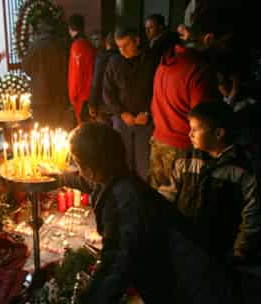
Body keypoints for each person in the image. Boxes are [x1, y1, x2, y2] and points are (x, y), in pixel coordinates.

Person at [48, 122, 235, 304]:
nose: (79, 170)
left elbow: (116, 263)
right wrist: (58, 177)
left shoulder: (125, 200)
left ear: (91, 168)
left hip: (188, 284)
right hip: (181, 274)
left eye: (79, 163)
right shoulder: (117, 177)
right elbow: (88, 183)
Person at [159, 101, 261, 263]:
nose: (189, 134)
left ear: (219, 133)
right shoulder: (185, 160)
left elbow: (252, 214)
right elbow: (165, 197)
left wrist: (240, 251)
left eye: (196, 129)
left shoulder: (243, 169)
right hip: (186, 246)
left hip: (221, 252)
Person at [149, 32, 214, 189]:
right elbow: (202, 115)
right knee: (181, 201)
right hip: (182, 147)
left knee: (156, 198)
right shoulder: (196, 70)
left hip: (158, 141)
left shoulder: (161, 68)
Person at [103, 28, 158, 180]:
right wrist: (121, 113)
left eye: (126, 45)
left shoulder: (151, 61)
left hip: (145, 121)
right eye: (119, 46)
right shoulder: (114, 62)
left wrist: (147, 113)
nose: (123, 50)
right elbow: (108, 93)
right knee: (122, 163)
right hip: (122, 121)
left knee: (143, 166)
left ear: (137, 41)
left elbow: (157, 91)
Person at [22, 21, 69, 128]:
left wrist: (36, 76)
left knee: (41, 129)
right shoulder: (60, 45)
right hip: (58, 94)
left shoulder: (35, 45)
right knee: (57, 128)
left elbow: (25, 66)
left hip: (39, 96)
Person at [67, 14, 96, 124]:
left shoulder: (77, 46)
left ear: (69, 28)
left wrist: (72, 96)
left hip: (82, 97)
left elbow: (76, 74)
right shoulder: (88, 43)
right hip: (91, 94)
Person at [88, 32, 118, 125]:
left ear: (106, 43)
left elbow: (96, 82)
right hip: (118, 106)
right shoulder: (122, 58)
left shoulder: (102, 58)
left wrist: (92, 103)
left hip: (103, 105)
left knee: (103, 134)